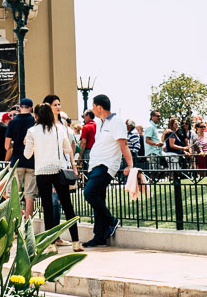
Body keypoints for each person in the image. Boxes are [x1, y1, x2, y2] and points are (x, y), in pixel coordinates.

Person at [24, 103, 82, 253]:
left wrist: (33, 146)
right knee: (68, 206)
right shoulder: (59, 129)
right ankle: (76, 241)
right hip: (58, 169)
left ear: (36, 116)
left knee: (47, 207)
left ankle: (51, 244)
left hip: (42, 171)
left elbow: (27, 154)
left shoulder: (32, 131)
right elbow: (67, 149)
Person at [82, 94, 134, 248]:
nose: (92, 109)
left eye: (93, 106)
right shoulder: (100, 123)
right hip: (95, 165)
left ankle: (111, 220)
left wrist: (130, 165)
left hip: (106, 165)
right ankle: (99, 236)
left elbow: (123, 145)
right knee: (98, 198)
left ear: (99, 107)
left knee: (89, 193)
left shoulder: (116, 122)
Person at [5, 98, 38, 218]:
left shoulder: (13, 122)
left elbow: (7, 145)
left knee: (15, 192)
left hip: (16, 161)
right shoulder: (34, 122)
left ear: (20, 108)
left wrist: (15, 143)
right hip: (32, 161)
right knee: (29, 194)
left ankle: (18, 217)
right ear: (31, 108)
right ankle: (28, 221)